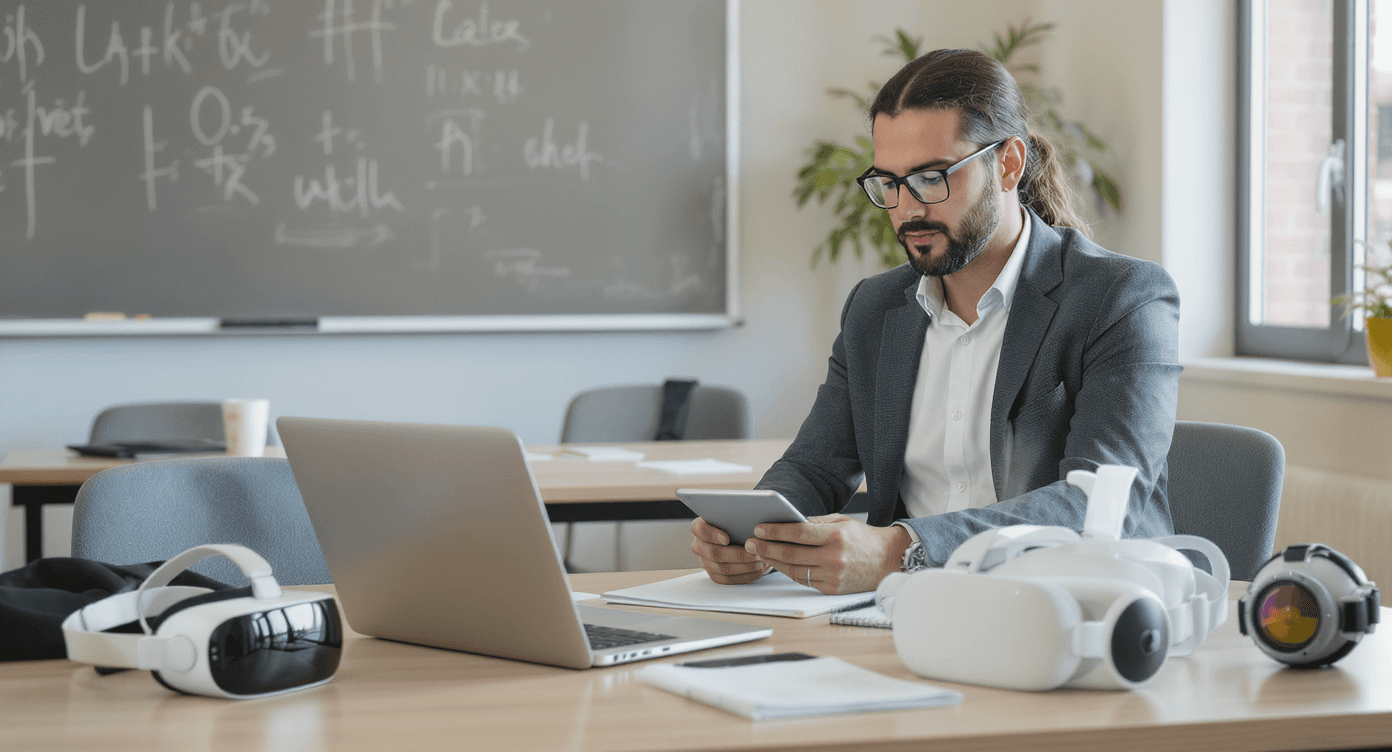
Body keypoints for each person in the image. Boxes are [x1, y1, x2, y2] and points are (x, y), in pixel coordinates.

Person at [691, 48, 1182, 594]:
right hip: (908, 615)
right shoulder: (875, 308)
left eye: (931, 178)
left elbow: (1100, 501)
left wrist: (902, 549)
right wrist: (753, 536)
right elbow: (815, 465)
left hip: (1073, 608)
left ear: (1009, 164)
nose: (907, 209)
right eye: (889, 183)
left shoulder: (1121, 298)